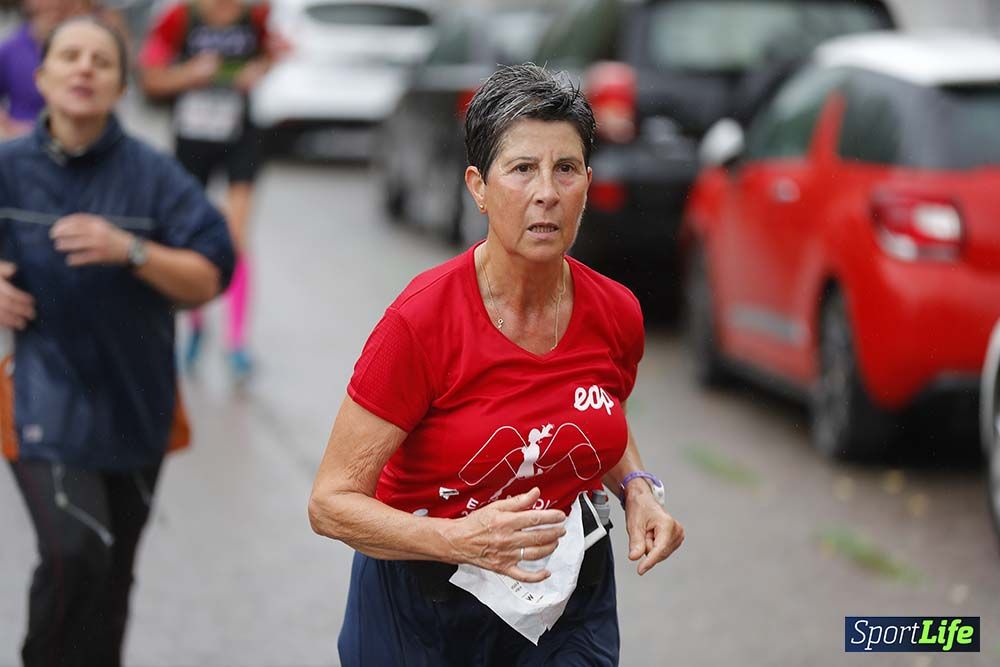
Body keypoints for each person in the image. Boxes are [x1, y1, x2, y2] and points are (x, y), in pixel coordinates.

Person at [309, 64, 685, 666]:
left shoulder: (616, 312)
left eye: (565, 169)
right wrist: (457, 539)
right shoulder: (422, 320)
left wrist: (638, 488)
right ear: (478, 187)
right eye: (521, 169)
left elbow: (593, 418)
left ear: (588, 182)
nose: (546, 193)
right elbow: (330, 502)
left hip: (566, 600)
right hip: (424, 604)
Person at [0, 16, 234, 666]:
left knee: (110, 578)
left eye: (100, 61)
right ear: (41, 77)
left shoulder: (153, 176)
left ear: (120, 85)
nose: (83, 69)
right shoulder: (9, 169)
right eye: (68, 57)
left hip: (136, 401)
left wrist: (130, 249)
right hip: (39, 394)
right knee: (75, 552)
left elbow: (214, 269)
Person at [138, 0, 274, 382]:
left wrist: (257, 70)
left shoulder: (256, 15)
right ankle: (197, 326)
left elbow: (273, 54)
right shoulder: (178, 17)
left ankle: (237, 344)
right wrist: (189, 75)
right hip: (192, 140)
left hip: (240, 136)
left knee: (237, 236)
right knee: (192, 237)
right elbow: (150, 77)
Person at [0, 0, 65, 137]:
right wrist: (8, 126)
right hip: (23, 139)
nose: (52, 4)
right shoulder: (10, 49)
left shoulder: (83, 46)